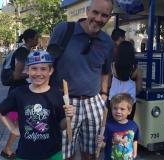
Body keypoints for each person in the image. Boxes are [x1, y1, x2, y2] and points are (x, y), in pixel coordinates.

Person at [48, 0, 114, 159]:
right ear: (87, 10)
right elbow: (47, 64)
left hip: (94, 103)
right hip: (65, 102)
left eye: (104, 15)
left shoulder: (107, 42)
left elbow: (106, 72)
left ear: (109, 17)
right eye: (96, 12)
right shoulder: (64, 30)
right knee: (65, 153)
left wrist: (104, 96)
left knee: (91, 152)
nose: (98, 19)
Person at [0, 50, 74, 159]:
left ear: (51, 71)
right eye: (34, 69)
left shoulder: (56, 94)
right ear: (27, 70)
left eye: (43, 69)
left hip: (53, 153)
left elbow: (62, 126)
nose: (38, 73)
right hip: (26, 153)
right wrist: (12, 129)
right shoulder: (19, 93)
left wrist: (68, 117)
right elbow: (0, 110)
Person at [0, 29, 39, 159]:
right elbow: (17, 75)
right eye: (36, 38)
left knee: (25, 120)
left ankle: (10, 148)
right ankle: (8, 149)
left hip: (24, 90)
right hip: (21, 91)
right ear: (29, 40)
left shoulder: (25, 51)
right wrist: (34, 73)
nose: (37, 40)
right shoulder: (22, 52)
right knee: (21, 121)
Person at [97, 93, 140, 160]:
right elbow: (103, 145)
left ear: (129, 111)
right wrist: (100, 142)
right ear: (111, 109)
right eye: (115, 108)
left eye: (122, 109)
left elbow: (134, 140)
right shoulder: (108, 125)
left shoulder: (133, 125)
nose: (118, 111)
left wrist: (134, 153)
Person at [108, 41, 142, 120]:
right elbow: (139, 88)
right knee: (127, 125)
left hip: (113, 100)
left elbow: (108, 85)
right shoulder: (137, 69)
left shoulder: (112, 66)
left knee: (112, 124)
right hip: (129, 102)